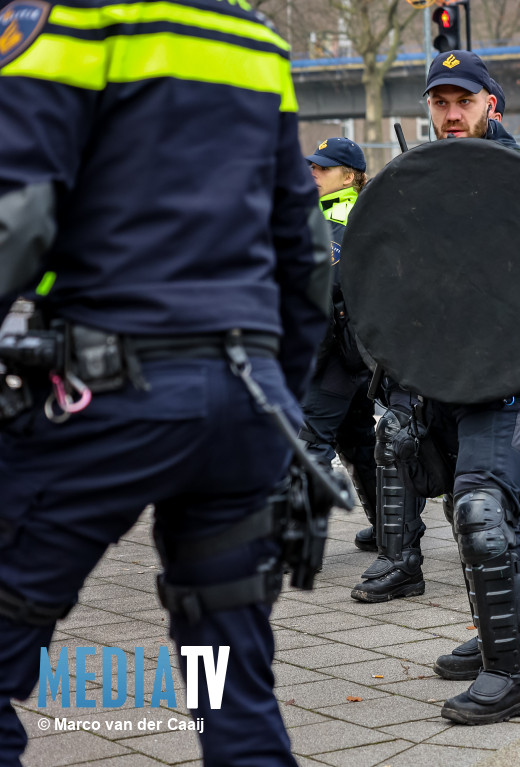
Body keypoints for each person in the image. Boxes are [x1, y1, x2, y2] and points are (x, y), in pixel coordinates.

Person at [0, 1, 329, 763]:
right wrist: (279, 394)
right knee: (230, 692)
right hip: (245, 409)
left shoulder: (72, 17)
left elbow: (17, 220)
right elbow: (306, 253)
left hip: (104, 400)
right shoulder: (253, 39)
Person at [370, 50, 520, 725]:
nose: (449, 113)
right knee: (473, 517)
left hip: (502, 379)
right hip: (440, 374)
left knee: (483, 512)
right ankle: (502, 636)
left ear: (488, 106)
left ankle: (517, 675)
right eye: (440, 102)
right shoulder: (423, 175)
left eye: (462, 101)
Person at [297, 137, 379, 551]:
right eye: (313, 165)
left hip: (334, 354)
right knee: (358, 439)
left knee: (310, 443)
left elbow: (323, 290)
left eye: (323, 168)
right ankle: (391, 529)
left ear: (348, 176)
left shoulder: (342, 218)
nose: (314, 172)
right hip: (355, 354)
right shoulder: (327, 213)